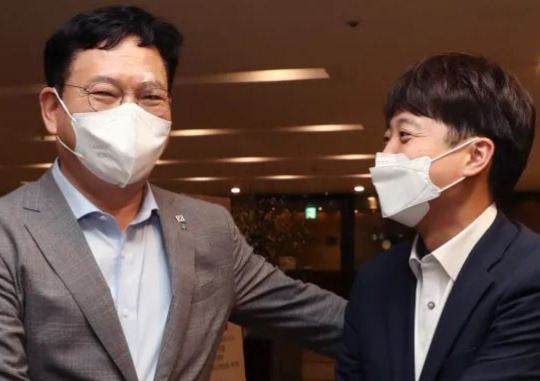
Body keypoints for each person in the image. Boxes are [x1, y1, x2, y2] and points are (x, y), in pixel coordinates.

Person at [0, 6, 346, 381]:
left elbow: (319, 317)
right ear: (53, 110)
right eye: (104, 93)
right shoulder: (9, 231)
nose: (131, 113)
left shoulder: (208, 229)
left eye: (150, 97)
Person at [336, 53, 540, 380]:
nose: (384, 156)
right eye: (385, 139)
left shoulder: (530, 274)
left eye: (404, 135)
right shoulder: (374, 280)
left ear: (474, 155)